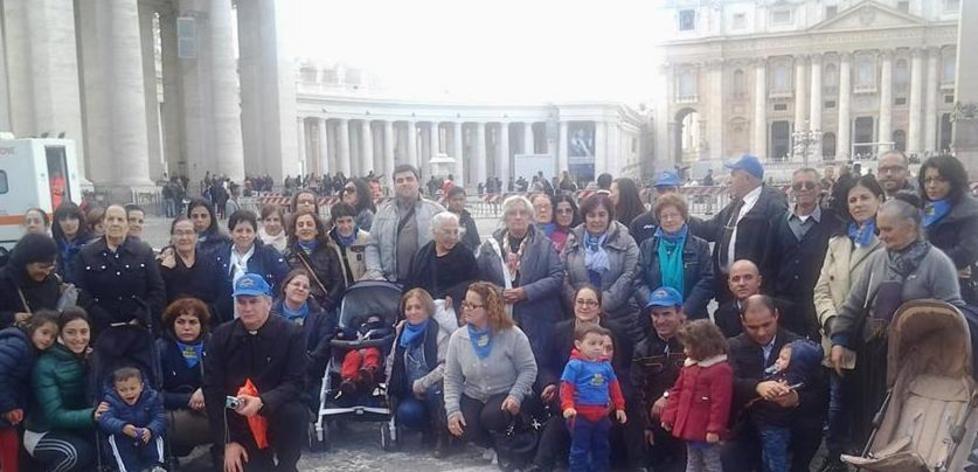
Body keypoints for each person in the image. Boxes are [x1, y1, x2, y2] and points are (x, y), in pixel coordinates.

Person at [829, 192, 964, 446]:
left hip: (915, 361)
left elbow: (953, 315)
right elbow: (853, 303)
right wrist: (839, 339)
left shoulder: (937, 262)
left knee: (904, 423)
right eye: (879, 230)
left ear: (911, 227)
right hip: (873, 356)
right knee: (869, 419)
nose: (881, 236)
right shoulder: (878, 258)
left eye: (888, 229)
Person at [812, 174, 884, 472]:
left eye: (865, 197)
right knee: (837, 403)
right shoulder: (837, 242)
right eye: (852, 199)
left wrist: (852, 329)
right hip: (835, 337)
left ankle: (870, 455)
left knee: (870, 403)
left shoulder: (887, 239)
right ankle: (836, 455)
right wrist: (831, 322)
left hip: (870, 340)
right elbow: (821, 290)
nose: (858, 204)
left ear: (879, 200)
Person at [203, 273, 309, 472]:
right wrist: (228, 441)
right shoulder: (221, 336)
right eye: (241, 302)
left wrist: (263, 401)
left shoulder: (291, 334)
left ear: (268, 302)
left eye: (254, 301)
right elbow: (212, 391)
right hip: (238, 421)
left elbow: (296, 382)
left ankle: (287, 465)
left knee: (295, 413)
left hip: (276, 412)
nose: (247, 308)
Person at [533, 285, 637, 471]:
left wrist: (615, 399)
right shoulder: (559, 330)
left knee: (630, 415)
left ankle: (637, 465)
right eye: (580, 302)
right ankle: (541, 466)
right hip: (570, 394)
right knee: (558, 419)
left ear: (599, 307)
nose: (585, 307)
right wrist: (548, 383)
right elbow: (546, 363)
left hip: (605, 396)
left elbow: (625, 369)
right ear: (573, 304)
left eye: (591, 302)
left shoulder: (615, 330)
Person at [725, 295, 828, 472]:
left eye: (766, 324)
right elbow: (728, 385)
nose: (761, 332)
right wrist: (756, 387)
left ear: (776, 316)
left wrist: (796, 398)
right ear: (742, 321)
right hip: (748, 426)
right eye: (753, 327)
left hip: (793, 424)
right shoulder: (733, 346)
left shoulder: (798, 346)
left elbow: (822, 392)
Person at [444, 282, 538, 454]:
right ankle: (489, 445)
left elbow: (529, 369)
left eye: (473, 306)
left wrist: (516, 395)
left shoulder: (513, 334)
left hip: (504, 391)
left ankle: (507, 445)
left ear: (489, 309)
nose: (466, 309)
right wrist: (452, 411)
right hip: (474, 392)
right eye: (465, 304)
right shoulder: (457, 338)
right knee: (463, 423)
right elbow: (452, 378)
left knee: (492, 416)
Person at [476, 195, 564, 362]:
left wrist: (526, 292)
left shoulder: (544, 244)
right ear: (505, 218)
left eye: (523, 213)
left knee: (535, 363)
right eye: (512, 213)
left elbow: (557, 277)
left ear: (530, 218)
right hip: (501, 316)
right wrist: (499, 293)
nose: (517, 217)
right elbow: (479, 280)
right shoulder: (490, 247)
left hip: (537, 317)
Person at [688, 154, 787, 303]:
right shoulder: (736, 205)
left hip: (756, 292)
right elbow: (708, 229)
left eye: (734, 174)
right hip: (729, 289)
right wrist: (683, 216)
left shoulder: (772, 206)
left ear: (747, 178)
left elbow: (778, 251)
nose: (729, 179)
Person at [25, 308, 105, 472]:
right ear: (60, 334)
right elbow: (54, 415)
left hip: (74, 429)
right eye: (71, 332)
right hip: (42, 432)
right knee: (75, 454)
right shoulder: (45, 366)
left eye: (84, 332)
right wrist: (92, 414)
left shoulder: (89, 358)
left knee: (103, 447)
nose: (79, 338)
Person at [766, 168, 840, 340]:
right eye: (798, 186)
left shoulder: (833, 221)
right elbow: (768, 264)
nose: (804, 189)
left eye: (809, 185)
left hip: (818, 305)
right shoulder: (777, 222)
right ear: (792, 190)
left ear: (819, 188)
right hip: (784, 305)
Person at [74, 204, 165, 334]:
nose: (115, 223)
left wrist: (140, 316)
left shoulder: (144, 252)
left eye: (120, 219)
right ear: (103, 223)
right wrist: (102, 318)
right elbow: (81, 293)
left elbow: (157, 290)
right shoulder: (86, 254)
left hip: (138, 328)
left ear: (127, 225)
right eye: (110, 219)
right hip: (102, 330)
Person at [385, 288, 455, 455]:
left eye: (418, 307)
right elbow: (392, 361)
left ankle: (442, 436)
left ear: (427, 309)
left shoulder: (439, 332)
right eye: (409, 308)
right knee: (406, 412)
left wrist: (422, 384)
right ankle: (427, 430)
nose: (413, 312)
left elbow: (447, 366)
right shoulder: (401, 333)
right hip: (411, 391)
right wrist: (389, 389)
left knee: (434, 391)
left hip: (436, 388)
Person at [562, 193, 640, 335]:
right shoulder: (572, 240)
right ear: (584, 217)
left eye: (601, 215)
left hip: (618, 316)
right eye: (591, 215)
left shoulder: (626, 241)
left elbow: (630, 275)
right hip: (580, 315)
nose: (596, 220)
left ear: (609, 216)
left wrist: (600, 304)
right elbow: (562, 274)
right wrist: (580, 302)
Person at [661, 320, 733, 472]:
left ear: (702, 346)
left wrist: (714, 429)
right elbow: (677, 391)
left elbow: (720, 404)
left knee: (711, 462)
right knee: (693, 461)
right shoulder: (690, 367)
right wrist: (669, 415)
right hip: (690, 427)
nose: (685, 351)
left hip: (705, 429)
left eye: (689, 347)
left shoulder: (720, 370)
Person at [631, 287, 689, 472]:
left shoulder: (694, 343)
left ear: (680, 313)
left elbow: (701, 382)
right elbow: (637, 391)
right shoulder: (642, 348)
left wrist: (669, 396)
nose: (661, 320)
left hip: (688, 422)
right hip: (655, 425)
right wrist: (645, 427)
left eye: (667, 314)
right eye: (655, 314)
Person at [559, 324, 628, 472]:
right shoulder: (574, 365)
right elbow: (566, 388)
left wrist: (620, 407)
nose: (598, 348)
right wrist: (568, 406)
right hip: (581, 416)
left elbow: (614, 387)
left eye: (601, 344)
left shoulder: (605, 366)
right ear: (579, 345)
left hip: (602, 416)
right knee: (579, 451)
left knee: (602, 448)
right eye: (592, 343)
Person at [635, 193, 714, 320]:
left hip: (691, 317)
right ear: (658, 220)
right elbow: (638, 281)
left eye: (674, 215)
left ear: (683, 217)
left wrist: (684, 310)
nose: (669, 220)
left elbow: (707, 281)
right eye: (664, 216)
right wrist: (655, 308)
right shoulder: (647, 247)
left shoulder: (700, 246)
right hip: (655, 318)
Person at [364, 164, 445, 283]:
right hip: (391, 282)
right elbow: (372, 245)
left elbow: (451, 244)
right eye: (400, 180)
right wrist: (376, 274)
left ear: (418, 182)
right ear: (394, 185)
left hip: (427, 282)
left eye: (409, 179)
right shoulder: (383, 213)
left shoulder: (436, 211)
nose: (405, 183)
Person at [0, 311, 59, 472]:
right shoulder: (18, 345)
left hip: (7, 413)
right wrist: (8, 407)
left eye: (52, 336)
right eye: (44, 333)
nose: (47, 339)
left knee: (10, 450)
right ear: (32, 328)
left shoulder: (32, 350)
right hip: (4, 408)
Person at [157, 298, 213, 463]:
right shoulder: (160, 348)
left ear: (201, 324)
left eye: (193, 322)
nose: (187, 327)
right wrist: (187, 400)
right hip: (171, 411)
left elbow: (226, 381)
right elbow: (153, 393)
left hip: (209, 408)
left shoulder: (214, 344)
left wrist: (205, 391)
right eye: (181, 322)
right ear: (172, 324)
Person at [918, 154, 978, 305]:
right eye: (928, 180)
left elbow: (966, 253)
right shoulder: (921, 208)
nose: (932, 185)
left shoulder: (970, 211)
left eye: (940, 180)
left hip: (955, 289)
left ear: (954, 181)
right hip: (922, 287)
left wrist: (921, 260)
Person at [270, 270, 334, 407]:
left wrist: (303, 363)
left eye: (305, 287)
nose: (300, 288)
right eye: (296, 284)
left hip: (308, 375)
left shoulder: (321, 316)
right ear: (285, 287)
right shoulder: (269, 315)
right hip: (274, 374)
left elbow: (324, 346)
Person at [214, 210, 290, 322]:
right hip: (226, 320)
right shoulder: (219, 256)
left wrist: (272, 308)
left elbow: (284, 283)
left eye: (248, 231)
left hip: (264, 319)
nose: (244, 235)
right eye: (239, 231)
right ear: (230, 232)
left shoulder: (269, 255)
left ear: (255, 233)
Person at [98, 367, 167, 472]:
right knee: (115, 441)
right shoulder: (111, 401)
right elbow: (105, 419)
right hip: (123, 435)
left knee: (157, 436)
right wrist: (123, 427)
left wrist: (151, 429)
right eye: (123, 390)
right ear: (115, 390)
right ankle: (126, 469)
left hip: (146, 432)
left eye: (133, 388)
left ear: (141, 387)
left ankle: (155, 466)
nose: (129, 393)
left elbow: (159, 416)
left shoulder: (151, 397)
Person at [713, 260, 797, 339]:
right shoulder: (721, 315)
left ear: (759, 281)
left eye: (748, 277)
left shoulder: (784, 309)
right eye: (736, 279)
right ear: (730, 284)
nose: (741, 283)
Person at [405, 212, 479, 300]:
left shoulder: (465, 255)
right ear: (434, 232)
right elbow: (409, 287)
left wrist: (455, 294)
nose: (452, 237)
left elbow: (475, 283)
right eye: (447, 232)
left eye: (455, 232)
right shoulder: (421, 255)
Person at [284, 210, 345, 313]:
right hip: (298, 308)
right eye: (300, 225)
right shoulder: (288, 255)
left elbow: (338, 282)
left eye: (309, 224)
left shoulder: (329, 251)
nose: (305, 228)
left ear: (317, 230)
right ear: (295, 231)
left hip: (326, 308)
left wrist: (325, 307)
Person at [158, 216, 222, 312]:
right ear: (172, 237)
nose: (184, 237)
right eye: (179, 233)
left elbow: (217, 297)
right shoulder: (162, 264)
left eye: (189, 233)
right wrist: (165, 270)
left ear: (196, 236)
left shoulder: (210, 263)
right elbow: (159, 298)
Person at [0, 234, 63, 329]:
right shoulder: (4, 281)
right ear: (24, 263)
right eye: (42, 267)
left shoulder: (52, 280)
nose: (46, 272)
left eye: (50, 266)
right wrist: (12, 317)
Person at [630, 170, 682, 246]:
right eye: (661, 190)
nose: (666, 194)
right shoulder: (639, 224)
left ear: (679, 191)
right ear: (654, 193)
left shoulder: (694, 225)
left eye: (671, 189)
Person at [327, 202, 371, 286]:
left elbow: (372, 267)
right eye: (341, 222)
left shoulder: (366, 239)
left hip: (361, 286)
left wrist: (359, 284)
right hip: (338, 289)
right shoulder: (327, 241)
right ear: (334, 222)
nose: (346, 226)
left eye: (349, 221)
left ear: (354, 220)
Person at [51, 202, 91, 284]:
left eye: (72, 218)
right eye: (63, 219)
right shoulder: (51, 245)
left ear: (80, 220)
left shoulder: (92, 243)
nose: (68, 223)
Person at [445, 187, 481, 253]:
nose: (458, 203)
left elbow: (476, 243)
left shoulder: (469, 220)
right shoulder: (443, 219)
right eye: (454, 200)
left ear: (465, 200)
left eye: (461, 199)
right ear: (448, 200)